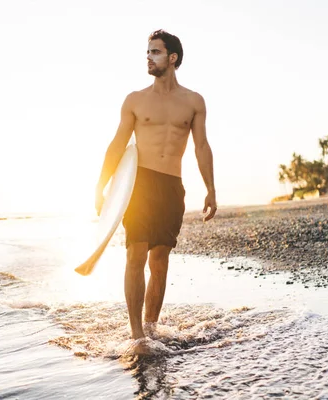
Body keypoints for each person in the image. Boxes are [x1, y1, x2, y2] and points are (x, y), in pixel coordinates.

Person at [95, 29, 216, 341]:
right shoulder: (135, 100)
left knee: (159, 261)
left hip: (171, 186)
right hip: (139, 184)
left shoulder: (193, 101)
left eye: (155, 52)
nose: (148, 57)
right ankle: (137, 337)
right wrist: (101, 185)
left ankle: (151, 328)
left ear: (172, 58)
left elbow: (201, 147)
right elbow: (118, 144)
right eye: (148, 52)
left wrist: (211, 189)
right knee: (135, 255)